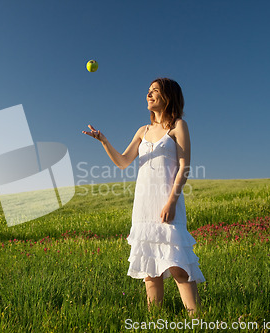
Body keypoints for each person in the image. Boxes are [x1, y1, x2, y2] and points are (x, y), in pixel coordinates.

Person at [82, 78, 204, 314]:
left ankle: (198, 319)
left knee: (178, 266)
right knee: (150, 271)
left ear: (167, 96)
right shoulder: (143, 130)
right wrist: (104, 141)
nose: (148, 95)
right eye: (148, 91)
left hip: (168, 203)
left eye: (154, 91)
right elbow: (123, 162)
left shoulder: (178, 126)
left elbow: (184, 167)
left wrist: (171, 201)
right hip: (144, 207)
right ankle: (154, 320)